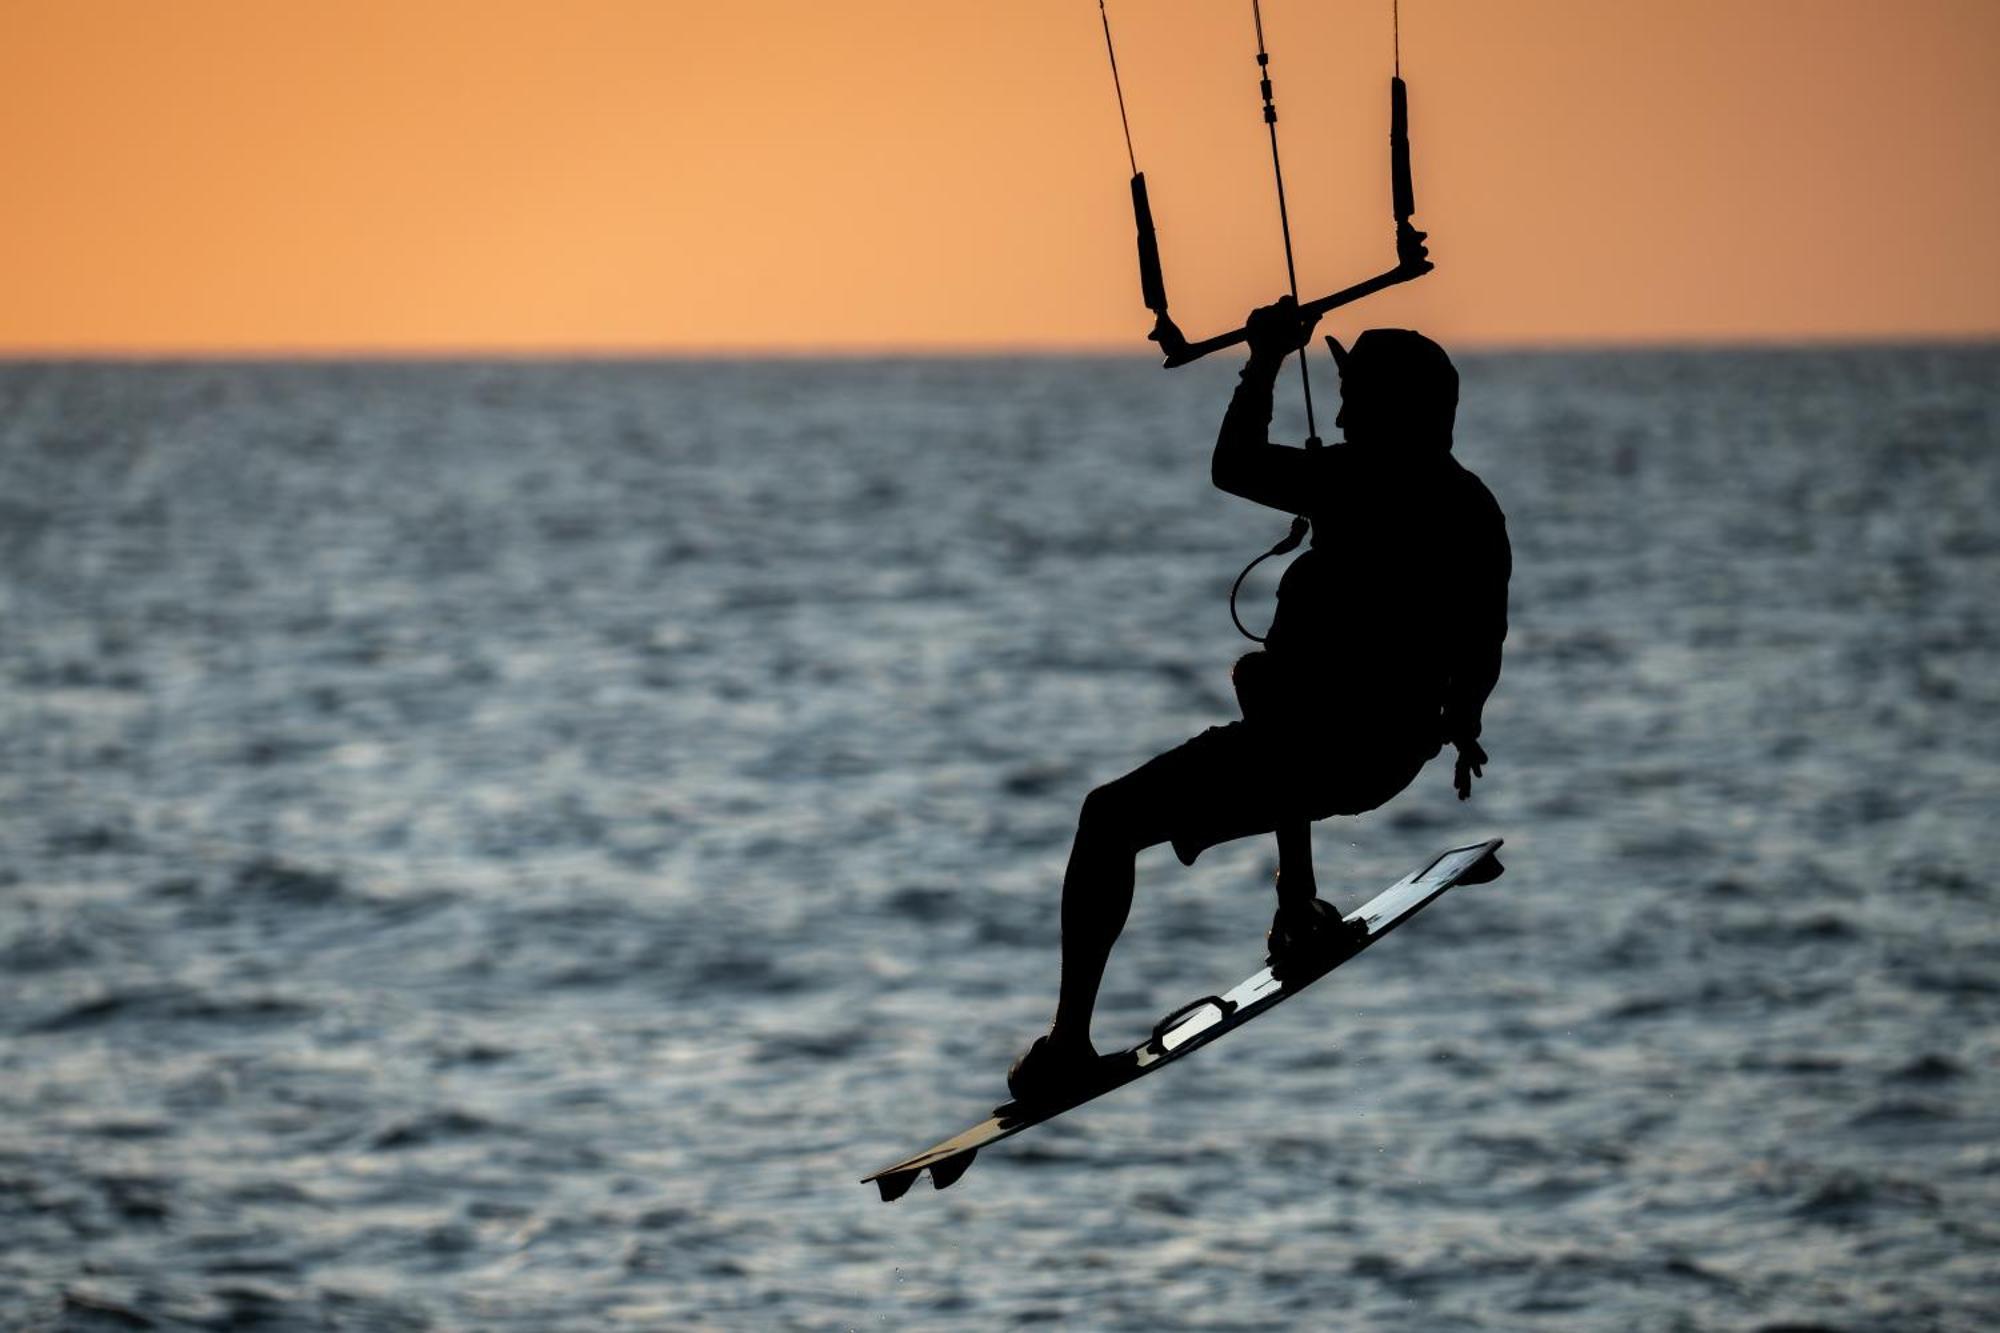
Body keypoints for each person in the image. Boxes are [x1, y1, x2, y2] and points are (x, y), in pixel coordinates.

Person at [1007, 296, 1511, 1105]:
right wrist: (1464, 723)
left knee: (1107, 819)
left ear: (1391, 408)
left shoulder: (1353, 481)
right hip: (1384, 755)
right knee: (1272, 685)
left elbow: (1232, 464)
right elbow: (1485, 637)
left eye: (1354, 395)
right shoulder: (1473, 506)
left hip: (1324, 749)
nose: (1340, 408)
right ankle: (1295, 907)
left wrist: (1267, 358)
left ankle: (1069, 1042)